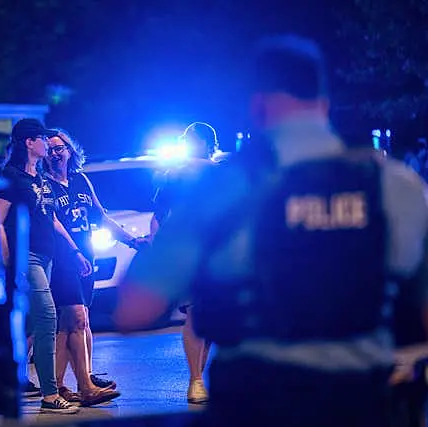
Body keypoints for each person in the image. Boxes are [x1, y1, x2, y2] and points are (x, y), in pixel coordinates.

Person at [115, 35, 428, 427]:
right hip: (365, 401)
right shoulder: (396, 185)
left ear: (257, 106)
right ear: (324, 103)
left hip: (258, 400)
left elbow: (132, 310)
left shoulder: (221, 188)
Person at [0, 118, 91, 414]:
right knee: (48, 318)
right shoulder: (10, 177)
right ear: (29, 143)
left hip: (46, 259)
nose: (48, 144)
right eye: (43, 139)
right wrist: (8, 259)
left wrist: (74, 251)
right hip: (27, 257)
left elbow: (52, 219)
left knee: (31, 324)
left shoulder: (39, 178)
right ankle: (50, 395)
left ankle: (6, 379)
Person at [44, 129, 138, 405]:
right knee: (78, 318)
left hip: (87, 257)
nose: (55, 153)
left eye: (60, 147)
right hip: (63, 259)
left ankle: (58, 385)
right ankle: (86, 386)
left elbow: (102, 216)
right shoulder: (45, 185)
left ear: (70, 151)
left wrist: (133, 241)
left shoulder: (80, 180)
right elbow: (51, 223)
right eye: (49, 149)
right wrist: (72, 252)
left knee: (70, 324)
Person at [150, 121, 225, 404]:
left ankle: (199, 378)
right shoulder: (174, 175)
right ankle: (194, 380)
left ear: (207, 143)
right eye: (186, 139)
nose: (189, 143)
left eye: (193, 139)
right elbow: (158, 215)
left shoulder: (221, 174)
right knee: (194, 312)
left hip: (215, 253)